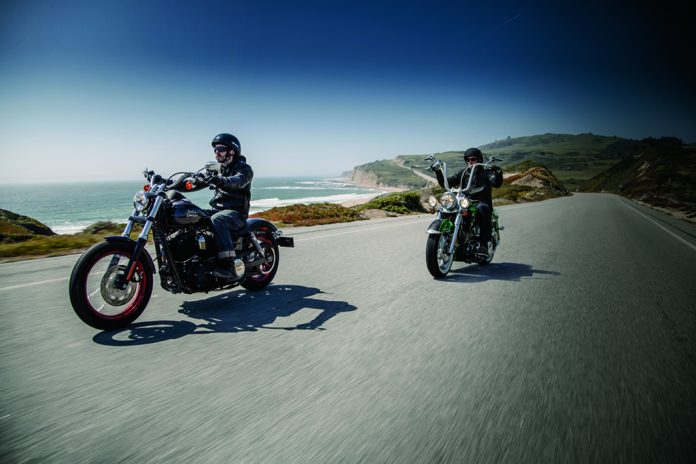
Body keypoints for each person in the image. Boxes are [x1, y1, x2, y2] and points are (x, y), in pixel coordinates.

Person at [433, 147, 503, 256]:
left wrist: (498, 173)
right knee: (446, 208)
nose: (471, 161)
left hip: (481, 201)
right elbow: (446, 183)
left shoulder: (486, 173)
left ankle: (484, 245)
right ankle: (452, 237)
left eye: (473, 159)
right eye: (468, 159)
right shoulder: (463, 173)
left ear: (479, 159)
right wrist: (438, 171)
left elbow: (496, 183)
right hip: (465, 201)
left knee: (482, 208)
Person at [207, 133, 254, 279]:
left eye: (220, 149)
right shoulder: (219, 169)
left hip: (236, 213)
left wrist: (222, 181)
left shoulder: (244, 169)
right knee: (192, 214)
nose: (217, 153)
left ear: (232, 151)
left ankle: (229, 266)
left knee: (217, 219)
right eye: (215, 150)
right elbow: (193, 183)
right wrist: (168, 184)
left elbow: (238, 181)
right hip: (217, 210)